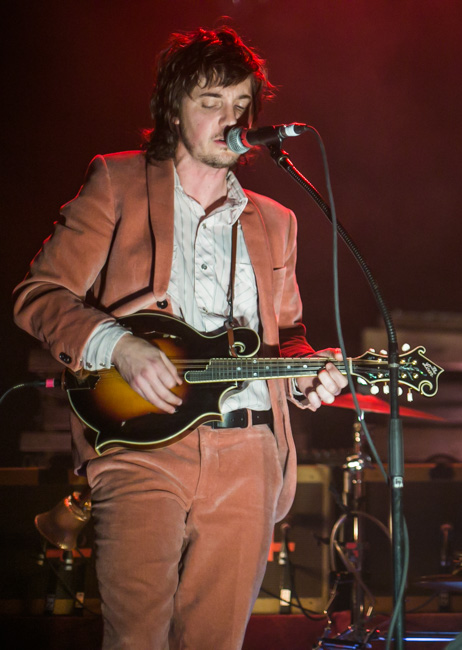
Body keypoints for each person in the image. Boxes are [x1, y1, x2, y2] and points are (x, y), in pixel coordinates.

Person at [12, 27, 348, 649]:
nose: (229, 119)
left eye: (240, 105)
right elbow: (40, 295)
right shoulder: (117, 182)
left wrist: (308, 374)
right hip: (142, 445)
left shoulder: (277, 221)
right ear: (172, 109)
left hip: (250, 451)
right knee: (136, 638)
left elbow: (289, 338)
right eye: (210, 102)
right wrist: (119, 345)